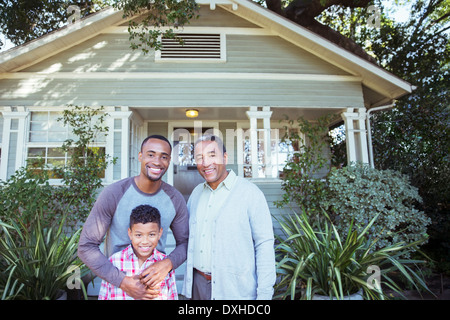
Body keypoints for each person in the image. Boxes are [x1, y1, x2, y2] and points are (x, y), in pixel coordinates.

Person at [78, 135, 188, 300]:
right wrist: (123, 282)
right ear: (140, 156)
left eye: (163, 157)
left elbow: (186, 243)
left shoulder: (175, 198)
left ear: (169, 160)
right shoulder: (114, 193)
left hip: (156, 288)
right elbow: (86, 246)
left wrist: (167, 264)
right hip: (117, 286)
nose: (157, 162)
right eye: (150, 154)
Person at [182, 134, 276, 300]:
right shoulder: (196, 194)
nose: (206, 163)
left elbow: (264, 245)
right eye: (199, 157)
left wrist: (264, 295)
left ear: (225, 157)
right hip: (197, 286)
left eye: (212, 155)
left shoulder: (250, 193)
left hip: (235, 291)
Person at [98, 204, 178, 300]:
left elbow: (172, 297)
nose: (145, 241)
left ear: (159, 233)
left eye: (151, 234)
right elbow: (104, 297)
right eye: (139, 235)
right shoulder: (115, 261)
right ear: (130, 234)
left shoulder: (165, 265)